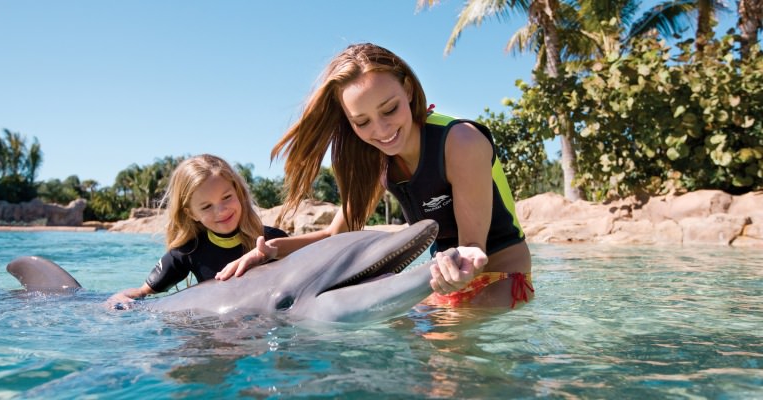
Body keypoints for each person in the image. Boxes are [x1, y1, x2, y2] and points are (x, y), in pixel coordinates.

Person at [219, 42, 532, 309]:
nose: (381, 130)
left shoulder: (460, 141)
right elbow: (334, 235)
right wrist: (268, 253)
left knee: (443, 360)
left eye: (389, 109)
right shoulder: (376, 161)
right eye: (362, 122)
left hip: (500, 273)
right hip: (445, 273)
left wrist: (458, 274)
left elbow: (471, 248)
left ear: (408, 89)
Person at [106, 154, 287, 309]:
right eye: (207, 206)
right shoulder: (188, 251)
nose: (221, 210)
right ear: (191, 213)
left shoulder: (273, 241)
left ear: (238, 193)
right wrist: (119, 297)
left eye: (227, 197)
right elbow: (143, 291)